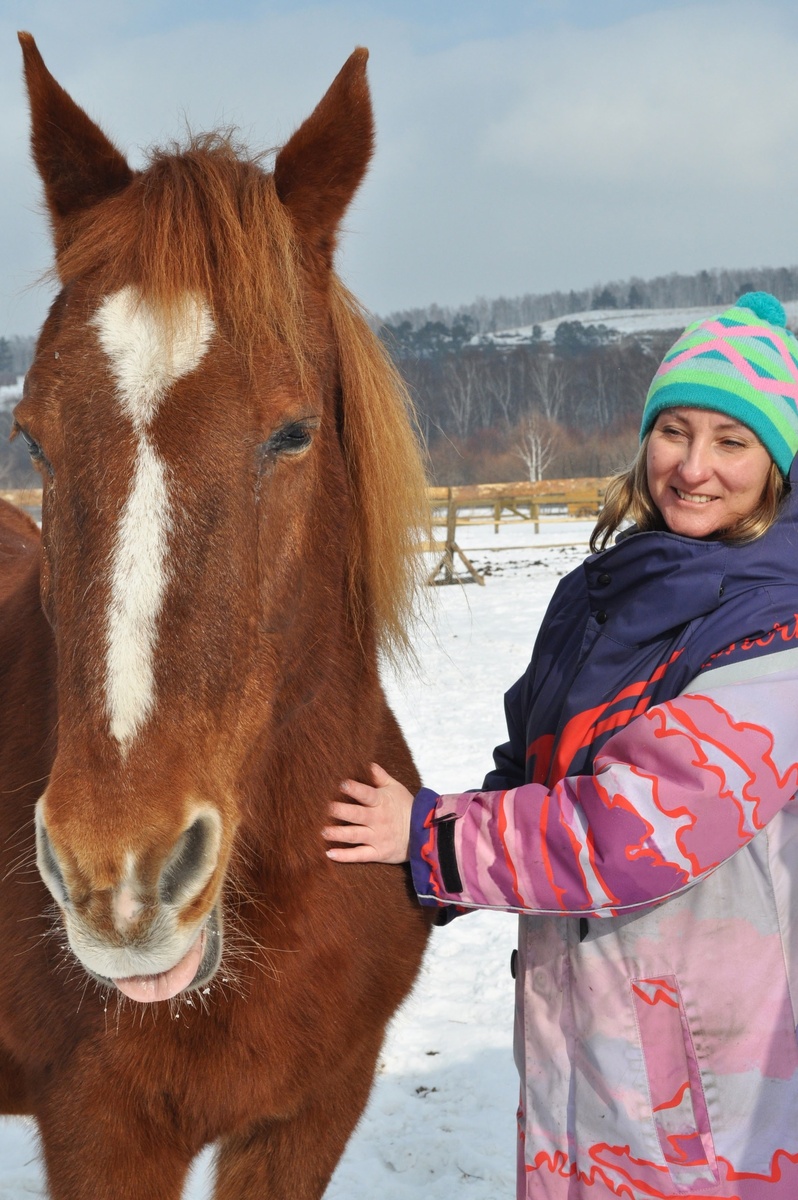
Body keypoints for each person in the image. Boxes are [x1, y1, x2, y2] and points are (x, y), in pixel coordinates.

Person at [323, 291, 798, 1199]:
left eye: (733, 442)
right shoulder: (606, 592)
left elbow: (633, 832)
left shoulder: (777, 628)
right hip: (589, 1025)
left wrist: (433, 840)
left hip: (708, 1069)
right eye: (675, 430)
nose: (693, 467)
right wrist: (400, 877)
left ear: (776, 465)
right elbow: (532, 771)